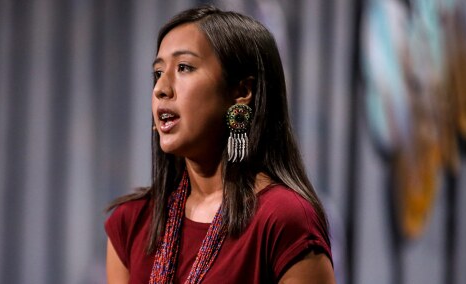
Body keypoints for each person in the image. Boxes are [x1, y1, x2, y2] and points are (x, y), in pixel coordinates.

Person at [105, 5, 334, 284]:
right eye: (158, 72)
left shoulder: (284, 219)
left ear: (242, 92)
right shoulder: (132, 222)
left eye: (184, 67)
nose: (161, 89)